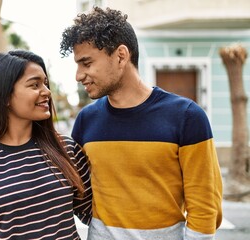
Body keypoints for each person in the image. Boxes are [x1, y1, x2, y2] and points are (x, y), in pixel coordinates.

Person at [60, 6, 223, 240]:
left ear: (121, 56)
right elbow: (80, 193)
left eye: (86, 63)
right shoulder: (86, 121)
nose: (78, 75)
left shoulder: (187, 116)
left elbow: (205, 205)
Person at [0, 50, 92, 239]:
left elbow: (95, 214)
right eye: (35, 85)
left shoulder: (66, 149)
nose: (46, 92)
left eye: (45, 83)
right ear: (4, 95)